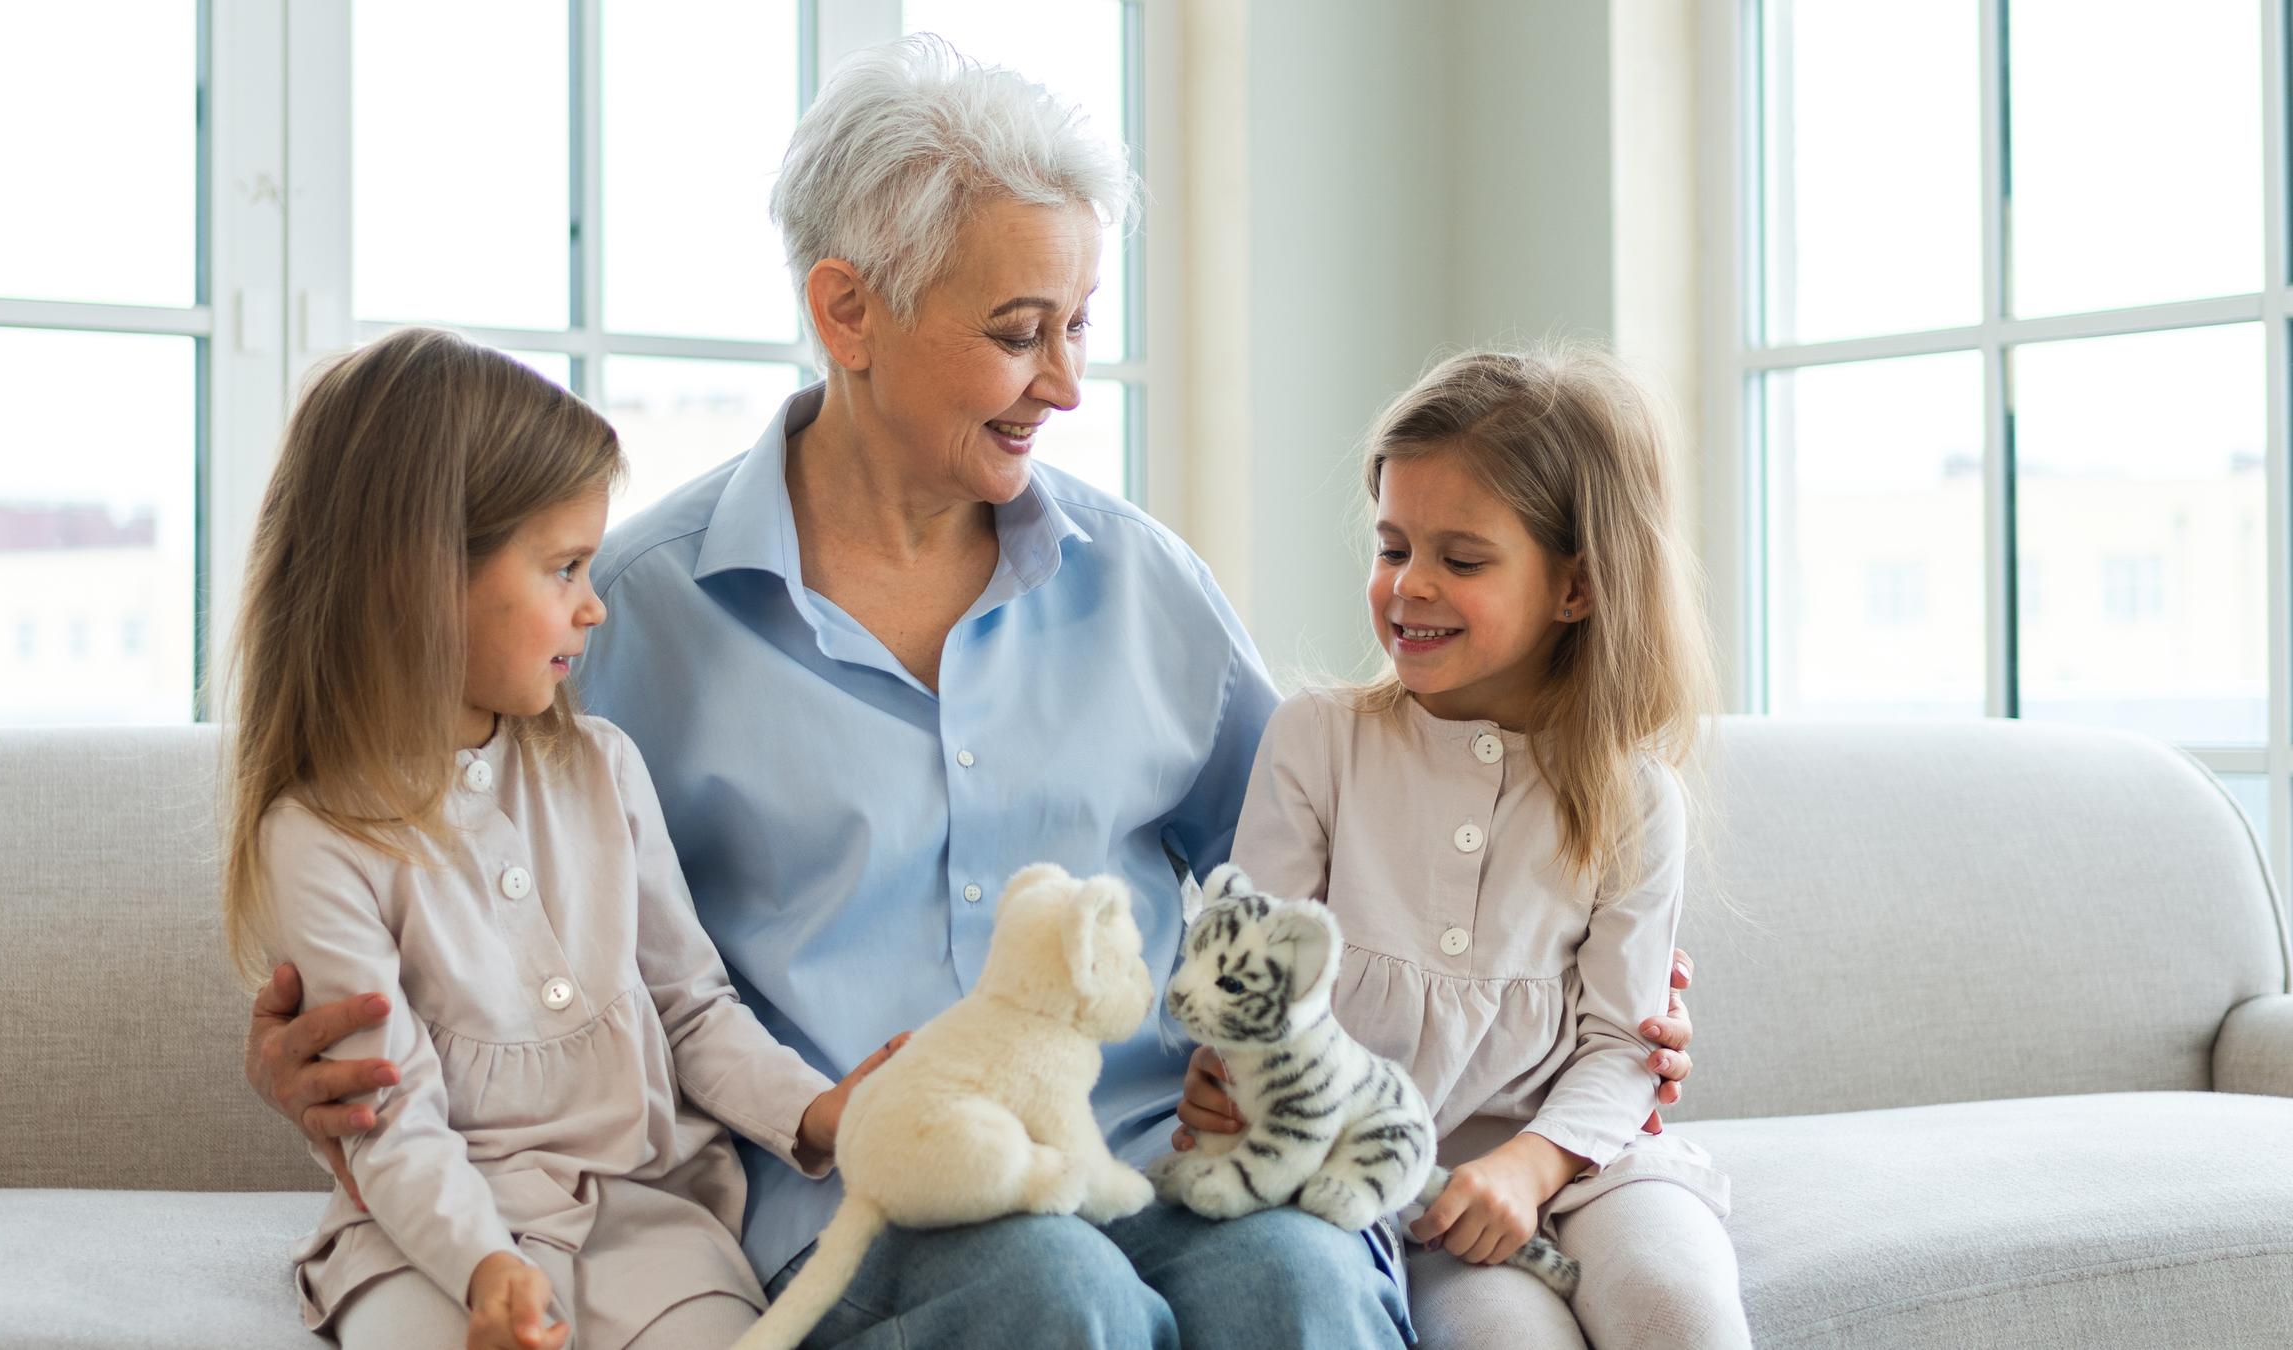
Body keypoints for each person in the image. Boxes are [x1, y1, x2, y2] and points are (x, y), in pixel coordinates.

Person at [243, 40, 1697, 1347]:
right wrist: (304, 1048)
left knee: (1300, 1285)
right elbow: (442, 869)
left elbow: (1343, 837)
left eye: (1080, 324)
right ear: (848, 309)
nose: (1065, 382)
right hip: (878, 1194)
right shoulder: (628, 614)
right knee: (1055, 1298)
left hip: (1159, 1152)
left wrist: (1584, 990)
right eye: (1018, 329)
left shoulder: (1145, 588)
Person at [221, 329, 892, 1350]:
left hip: (647, 1223)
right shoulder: (319, 837)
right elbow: (390, 1114)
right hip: (425, 1238)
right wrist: (487, 1268)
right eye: (566, 567)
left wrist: (819, 1112)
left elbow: (691, 1009)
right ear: (416, 578)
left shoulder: (603, 768)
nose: (594, 605)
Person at [1216, 347, 1749, 1347]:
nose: (1408, 586)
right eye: (1392, 547)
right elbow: (1257, 988)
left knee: (1677, 1305)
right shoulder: (1318, 742)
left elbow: (1623, 1045)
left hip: (1589, 1162)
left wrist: (1533, 1163)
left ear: (1576, 588)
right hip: (1410, 1189)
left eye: (1461, 561)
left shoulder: (1634, 795)